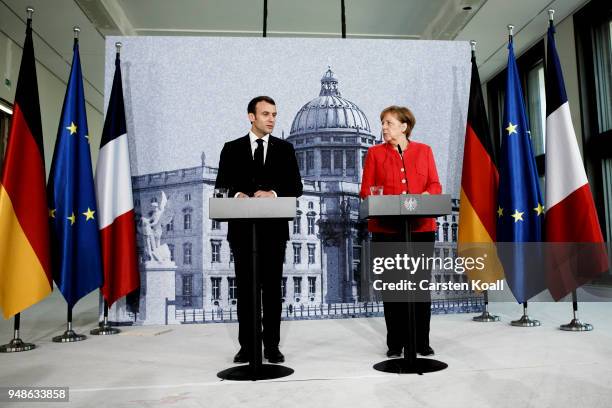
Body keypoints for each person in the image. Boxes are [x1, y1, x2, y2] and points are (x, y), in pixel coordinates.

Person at [215, 96, 303, 364]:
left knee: (272, 292)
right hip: (242, 231)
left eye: (274, 114)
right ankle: (248, 346)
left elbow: (296, 187)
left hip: (274, 231)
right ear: (251, 117)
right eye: (265, 114)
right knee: (246, 290)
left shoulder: (285, 149)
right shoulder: (231, 149)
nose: (271, 119)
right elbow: (221, 186)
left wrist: (274, 193)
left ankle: (272, 346)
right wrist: (239, 193)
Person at [359, 105, 441, 358]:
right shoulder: (374, 153)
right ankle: (395, 343)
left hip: (420, 228)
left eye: (389, 123)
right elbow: (366, 190)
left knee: (418, 287)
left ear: (404, 127)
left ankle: (420, 341)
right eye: (382, 122)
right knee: (393, 288)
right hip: (387, 230)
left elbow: (435, 184)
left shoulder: (424, 151)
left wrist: (426, 195)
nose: (383, 127)